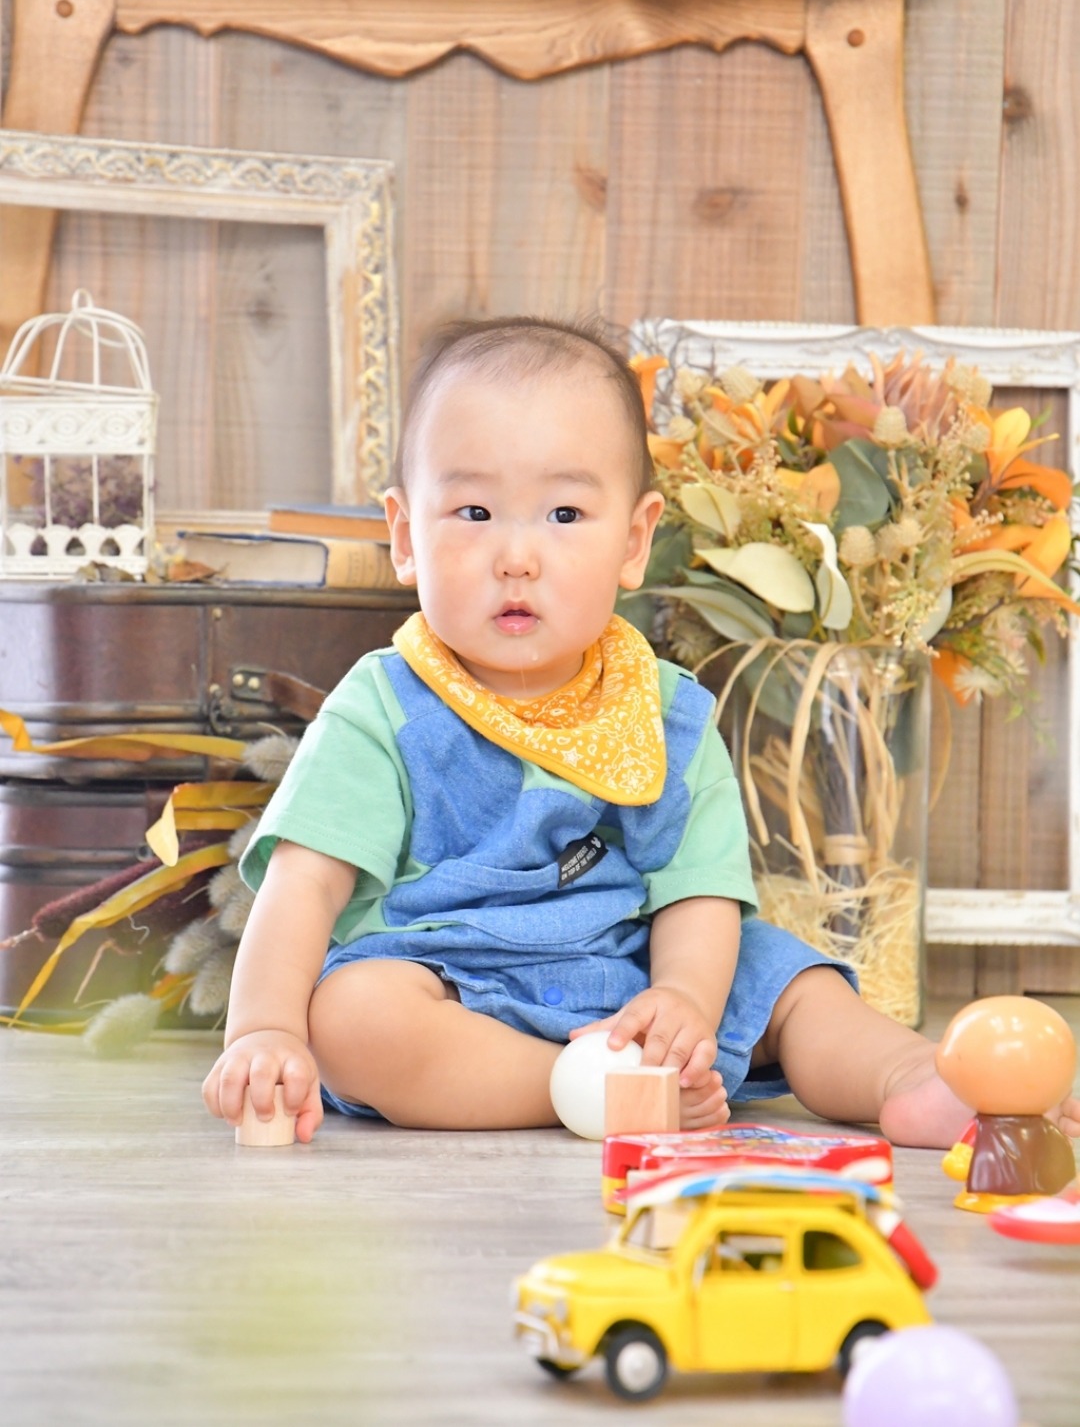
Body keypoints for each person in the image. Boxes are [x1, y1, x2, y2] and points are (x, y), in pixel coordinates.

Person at [203, 318, 1080, 1149]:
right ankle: (583, 1091)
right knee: (354, 1017)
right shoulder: (381, 707)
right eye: (473, 514)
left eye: (564, 515)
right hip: (456, 984)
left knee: (792, 983)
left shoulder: (665, 711)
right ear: (404, 535)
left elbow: (698, 890)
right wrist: (264, 1030)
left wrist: (684, 999)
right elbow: (302, 885)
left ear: (633, 541)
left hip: (635, 972)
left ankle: (913, 1076)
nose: (517, 557)